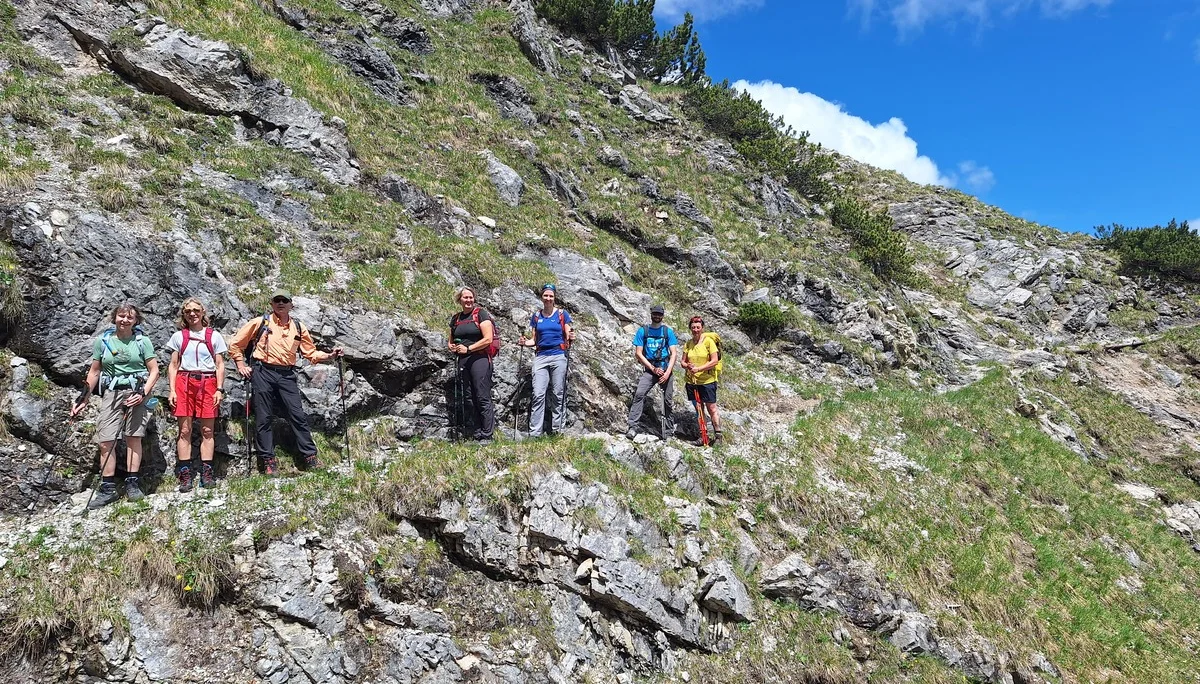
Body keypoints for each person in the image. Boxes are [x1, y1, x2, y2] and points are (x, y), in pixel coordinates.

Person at [227, 289, 341, 475]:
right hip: (262, 371)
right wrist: (240, 364)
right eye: (277, 300)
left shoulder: (298, 326)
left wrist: (330, 355)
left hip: (287, 374)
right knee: (264, 417)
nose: (280, 303)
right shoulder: (261, 322)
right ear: (271, 304)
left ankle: (310, 457)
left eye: (284, 300)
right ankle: (268, 461)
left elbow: (310, 352)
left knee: (297, 414)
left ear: (291, 305)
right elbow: (235, 344)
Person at [70, 303, 161, 509]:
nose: (125, 320)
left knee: (133, 437)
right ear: (114, 318)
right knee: (106, 440)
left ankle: (132, 483)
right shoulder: (103, 341)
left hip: (137, 392)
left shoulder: (142, 341)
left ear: (135, 321)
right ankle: (108, 488)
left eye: (129, 317)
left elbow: (154, 371)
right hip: (111, 393)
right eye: (121, 316)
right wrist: (83, 398)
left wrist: (142, 393)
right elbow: (94, 372)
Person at [165, 298, 228, 492]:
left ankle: (206, 472)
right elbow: (173, 365)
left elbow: (220, 365)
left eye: (196, 310)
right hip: (184, 382)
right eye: (188, 311)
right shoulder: (179, 337)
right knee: (184, 430)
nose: (192, 314)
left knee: (207, 431)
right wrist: (172, 389)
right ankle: (186, 474)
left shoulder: (214, 336)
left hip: (208, 382)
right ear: (183, 315)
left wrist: (219, 388)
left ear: (203, 312)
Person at [517, 284, 574, 437]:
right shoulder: (537, 316)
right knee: (538, 393)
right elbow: (534, 340)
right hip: (541, 356)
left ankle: (557, 431)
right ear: (542, 297)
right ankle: (535, 432)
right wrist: (524, 342)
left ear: (554, 298)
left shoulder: (562, 314)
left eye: (551, 296)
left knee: (558, 393)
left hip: (558, 355)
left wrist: (571, 337)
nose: (548, 299)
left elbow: (568, 333)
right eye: (546, 296)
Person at [447, 286, 496, 442]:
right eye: (465, 298)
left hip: (479, 358)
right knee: (468, 396)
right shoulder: (455, 319)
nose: (468, 300)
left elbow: (488, 339)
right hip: (463, 359)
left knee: (482, 395)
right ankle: (476, 432)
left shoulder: (481, 314)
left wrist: (468, 348)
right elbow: (451, 340)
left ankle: (487, 434)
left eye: (471, 297)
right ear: (459, 300)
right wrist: (453, 347)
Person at [626, 304, 678, 439]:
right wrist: (652, 368)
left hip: (666, 370)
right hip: (650, 370)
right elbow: (638, 353)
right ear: (651, 314)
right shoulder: (643, 331)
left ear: (662, 315)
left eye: (659, 314)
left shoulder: (668, 332)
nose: (657, 316)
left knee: (667, 401)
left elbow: (673, 354)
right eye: (655, 314)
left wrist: (667, 373)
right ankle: (633, 427)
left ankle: (668, 432)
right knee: (639, 394)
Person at [681, 316, 721, 444]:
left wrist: (699, 369)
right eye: (693, 327)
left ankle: (718, 435)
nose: (695, 330)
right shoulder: (688, 343)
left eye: (698, 327)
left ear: (702, 328)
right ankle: (703, 436)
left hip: (707, 381)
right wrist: (688, 366)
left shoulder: (708, 342)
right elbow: (683, 361)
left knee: (712, 408)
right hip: (692, 381)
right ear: (690, 329)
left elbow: (714, 361)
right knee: (698, 408)